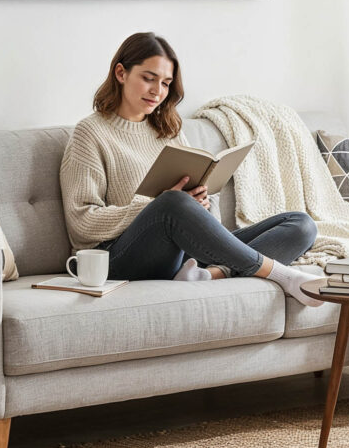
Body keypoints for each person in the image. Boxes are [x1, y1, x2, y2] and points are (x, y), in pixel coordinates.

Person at [59, 32, 325, 306]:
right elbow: (82, 222)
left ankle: (212, 275)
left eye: (165, 83)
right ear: (120, 73)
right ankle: (284, 276)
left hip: (180, 252)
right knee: (172, 202)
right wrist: (156, 204)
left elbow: (201, 217)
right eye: (149, 78)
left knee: (301, 224)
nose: (157, 91)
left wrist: (201, 204)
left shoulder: (168, 130)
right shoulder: (90, 133)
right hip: (116, 259)